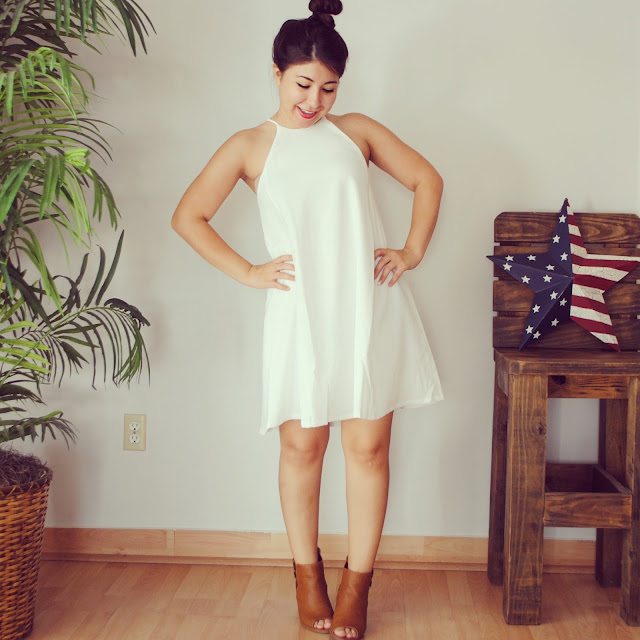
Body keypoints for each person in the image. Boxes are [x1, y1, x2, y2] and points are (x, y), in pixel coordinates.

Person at [172, 1, 443, 637]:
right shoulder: (250, 146)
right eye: (303, 84)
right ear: (276, 73)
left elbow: (427, 179)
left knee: (367, 448)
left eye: (329, 88)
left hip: (368, 305)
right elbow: (189, 216)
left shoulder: (357, 133)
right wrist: (249, 272)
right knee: (303, 446)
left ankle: (357, 586)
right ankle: (307, 575)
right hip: (300, 314)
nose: (314, 101)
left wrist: (409, 252)